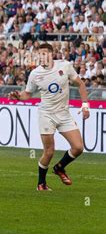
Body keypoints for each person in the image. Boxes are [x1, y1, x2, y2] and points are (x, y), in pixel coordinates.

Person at [8, 43, 90, 191]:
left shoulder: (65, 66)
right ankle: (41, 184)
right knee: (49, 151)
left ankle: (59, 168)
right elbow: (27, 94)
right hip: (46, 115)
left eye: (45, 53)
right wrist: (18, 97)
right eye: (40, 54)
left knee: (78, 147)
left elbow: (81, 84)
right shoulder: (35, 74)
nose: (42, 56)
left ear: (52, 54)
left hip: (64, 114)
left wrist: (85, 105)